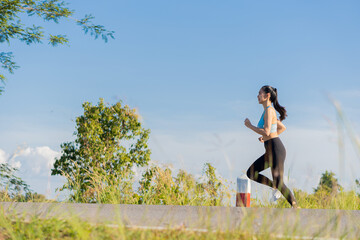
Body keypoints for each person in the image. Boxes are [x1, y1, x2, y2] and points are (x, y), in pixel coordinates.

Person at [244, 85, 298, 208]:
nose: (257, 96)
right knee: (251, 172)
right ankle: (274, 186)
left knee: (279, 182)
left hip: (275, 149)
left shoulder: (269, 110)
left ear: (267, 95)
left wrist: (250, 126)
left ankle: (295, 206)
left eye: (259, 93)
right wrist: (266, 137)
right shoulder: (267, 111)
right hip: (270, 148)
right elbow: (281, 128)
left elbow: (267, 131)